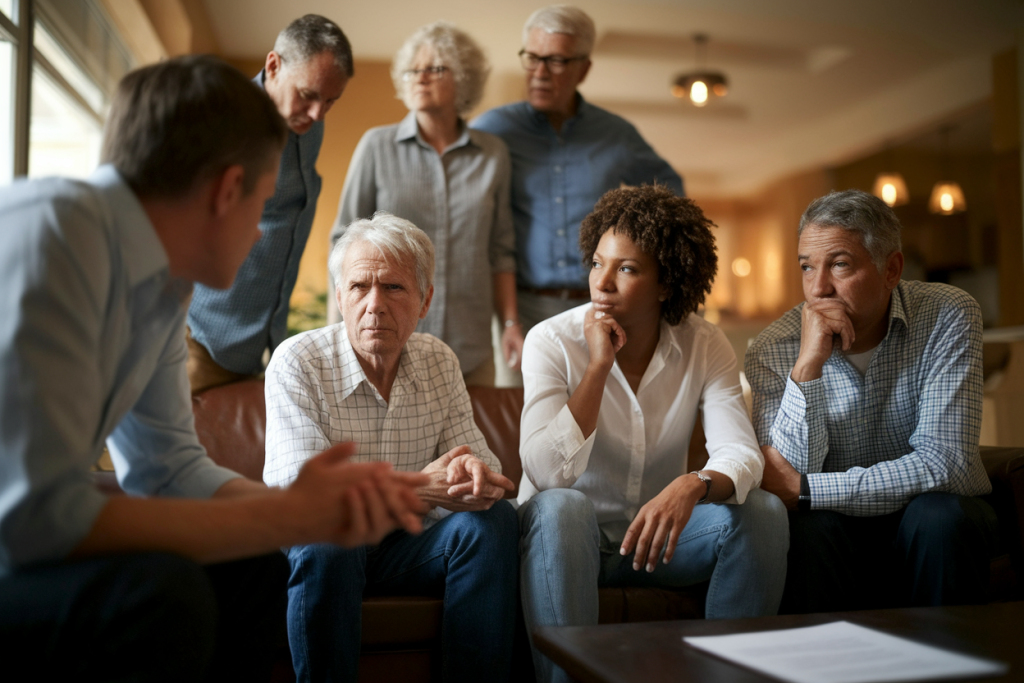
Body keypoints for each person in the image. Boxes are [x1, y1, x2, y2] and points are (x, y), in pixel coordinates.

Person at [0, 56, 427, 682]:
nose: (259, 233)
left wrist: (316, 509)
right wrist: (286, 515)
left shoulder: (163, 290)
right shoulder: (53, 234)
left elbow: (166, 467)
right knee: (162, 595)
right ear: (228, 190)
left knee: (256, 564)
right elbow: (31, 520)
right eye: (260, 204)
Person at [518, 185, 788, 683]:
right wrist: (599, 367)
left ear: (667, 284)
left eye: (627, 269)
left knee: (763, 513)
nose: (603, 283)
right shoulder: (550, 341)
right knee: (563, 505)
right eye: (597, 263)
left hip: (655, 545)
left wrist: (694, 483)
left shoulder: (705, 344)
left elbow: (740, 454)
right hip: (569, 541)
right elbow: (546, 474)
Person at [265, 212, 519, 682]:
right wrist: (421, 488)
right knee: (331, 537)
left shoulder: (438, 359)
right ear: (339, 297)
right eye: (360, 286)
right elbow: (303, 494)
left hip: (408, 548)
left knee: (495, 520)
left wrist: (475, 476)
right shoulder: (297, 362)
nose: (375, 305)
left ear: (425, 300)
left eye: (395, 288)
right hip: (328, 547)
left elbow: (485, 464)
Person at [745, 189, 998, 613]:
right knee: (808, 528)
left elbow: (947, 464)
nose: (819, 287)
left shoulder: (947, 313)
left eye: (840, 264)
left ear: (891, 269)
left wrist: (810, 490)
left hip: (928, 520)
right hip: (832, 528)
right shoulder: (775, 347)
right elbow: (784, 478)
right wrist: (807, 367)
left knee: (939, 518)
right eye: (807, 267)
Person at [472, 5, 683, 334]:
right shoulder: (493, 129)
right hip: (524, 311)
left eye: (556, 60)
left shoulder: (616, 133)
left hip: (605, 305)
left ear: (583, 69)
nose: (540, 72)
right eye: (532, 57)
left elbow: (669, 187)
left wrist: (641, 244)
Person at [330, 22, 520, 386]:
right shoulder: (376, 146)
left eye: (434, 68)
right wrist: (342, 330)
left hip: (471, 348)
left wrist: (510, 324)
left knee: (471, 444)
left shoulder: (493, 154)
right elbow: (342, 242)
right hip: (387, 343)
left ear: (464, 79)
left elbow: (501, 251)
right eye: (413, 70)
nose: (420, 77)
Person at [187, 14, 352, 394]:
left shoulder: (308, 125)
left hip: (257, 348)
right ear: (273, 65)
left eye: (331, 101)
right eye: (309, 95)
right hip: (198, 341)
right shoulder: (220, 120)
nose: (318, 114)